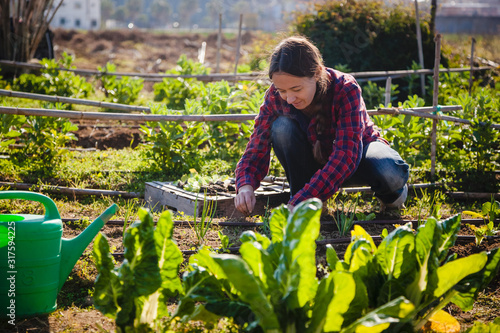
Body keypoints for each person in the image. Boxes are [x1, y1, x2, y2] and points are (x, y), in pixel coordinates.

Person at [234, 36, 409, 216]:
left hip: (357, 158)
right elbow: (256, 146)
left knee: (388, 170)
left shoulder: (345, 88)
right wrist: (245, 186)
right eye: (282, 91)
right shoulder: (275, 97)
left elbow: (346, 155)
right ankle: (310, 205)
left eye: (296, 89)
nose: (289, 98)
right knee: (282, 127)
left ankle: (392, 198)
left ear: (317, 73)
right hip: (312, 164)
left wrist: (301, 200)